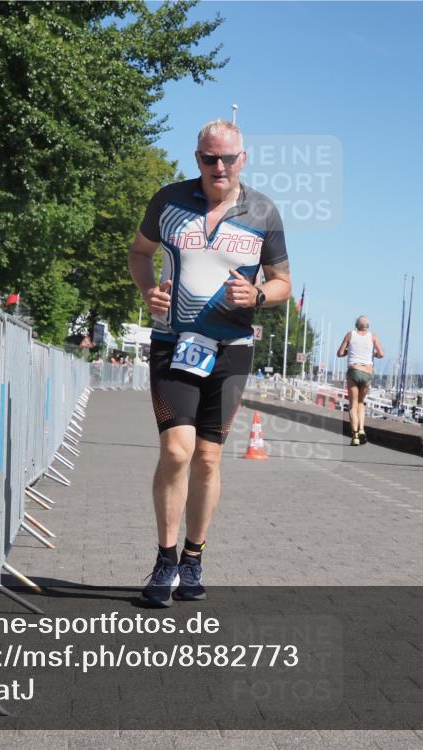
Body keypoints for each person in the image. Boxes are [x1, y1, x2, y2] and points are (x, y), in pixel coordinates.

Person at [128, 118, 292, 606]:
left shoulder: (263, 211)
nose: (218, 167)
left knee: (207, 457)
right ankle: (164, 559)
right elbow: (140, 253)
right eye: (208, 158)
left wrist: (259, 293)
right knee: (176, 451)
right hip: (174, 340)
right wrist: (147, 291)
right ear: (196, 157)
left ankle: (193, 558)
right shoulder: (169, 200)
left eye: (227, 158)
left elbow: (283, 283)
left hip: (231, 350)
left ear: (244, 158)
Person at [336, 316, 385, 446]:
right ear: (367, 326)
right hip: (367, 373)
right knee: (361, 403)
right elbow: (381, 354)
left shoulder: (350, 334)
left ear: (356, 325)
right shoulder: (373, 337)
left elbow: (340, 353)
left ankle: (355, 436)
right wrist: (373, 354)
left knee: (353, 405)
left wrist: (349, 351)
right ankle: (362, 429)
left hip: (354, 371)